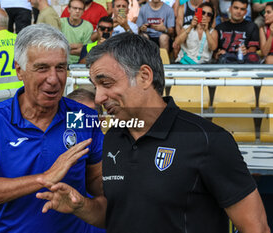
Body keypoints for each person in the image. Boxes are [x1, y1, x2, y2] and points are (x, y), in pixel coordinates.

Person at [36, 32, 271, 233]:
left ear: (144, 76)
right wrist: (81, 206)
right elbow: (118, 214)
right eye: (95, 86)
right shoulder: (113, 139)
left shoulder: (209, 140)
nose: (98, 98)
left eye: (106, 83)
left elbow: (256, 227)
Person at [0, 24, 104, 232]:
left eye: (60, 67)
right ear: (19, 70)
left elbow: (97, 180)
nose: (54, 79)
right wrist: (42, 179)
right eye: (42, 68)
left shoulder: (81, 116)